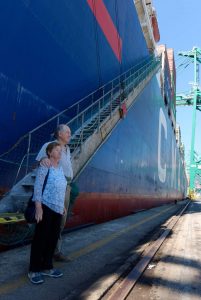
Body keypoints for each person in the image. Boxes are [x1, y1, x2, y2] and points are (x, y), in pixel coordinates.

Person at [28, 142, 67, 284]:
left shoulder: (60, 169)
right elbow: (38, 186)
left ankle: (47, 266)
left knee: (52, 239)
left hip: (57, 209)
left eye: (60, 150)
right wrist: (38, 207)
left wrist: (62, 205)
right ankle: (34, 270)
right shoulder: (45, 165)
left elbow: (61, 188)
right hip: (45, 206)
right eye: (57, 150)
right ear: (50, 153)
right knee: (40, 239)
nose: (60, 152)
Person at [36, 124, 73, 262]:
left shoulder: (67, 149)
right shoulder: (50, 145)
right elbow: (41, 160)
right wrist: (43, 159)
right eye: (67, 132)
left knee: (60, 222)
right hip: (54, 189)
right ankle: (45, 254)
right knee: (49, 223)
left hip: (66, 187)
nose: (70, 134)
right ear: (59, 134)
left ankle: (54, 251)